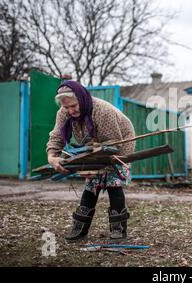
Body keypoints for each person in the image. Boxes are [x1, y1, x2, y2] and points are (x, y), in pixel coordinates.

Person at [46, 80, 135, 241]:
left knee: (113, 183)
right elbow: (57, 135)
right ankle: (80, 228)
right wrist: (52, 156)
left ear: (81, 98)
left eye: (73, 106)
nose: (70, 111)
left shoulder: (102, 110)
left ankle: (118, 228)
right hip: (91, 147)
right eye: (66, 107)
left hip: (119, 145)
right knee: (92, 185)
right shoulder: (64, 112)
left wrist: (89, 154)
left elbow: (113, 142)